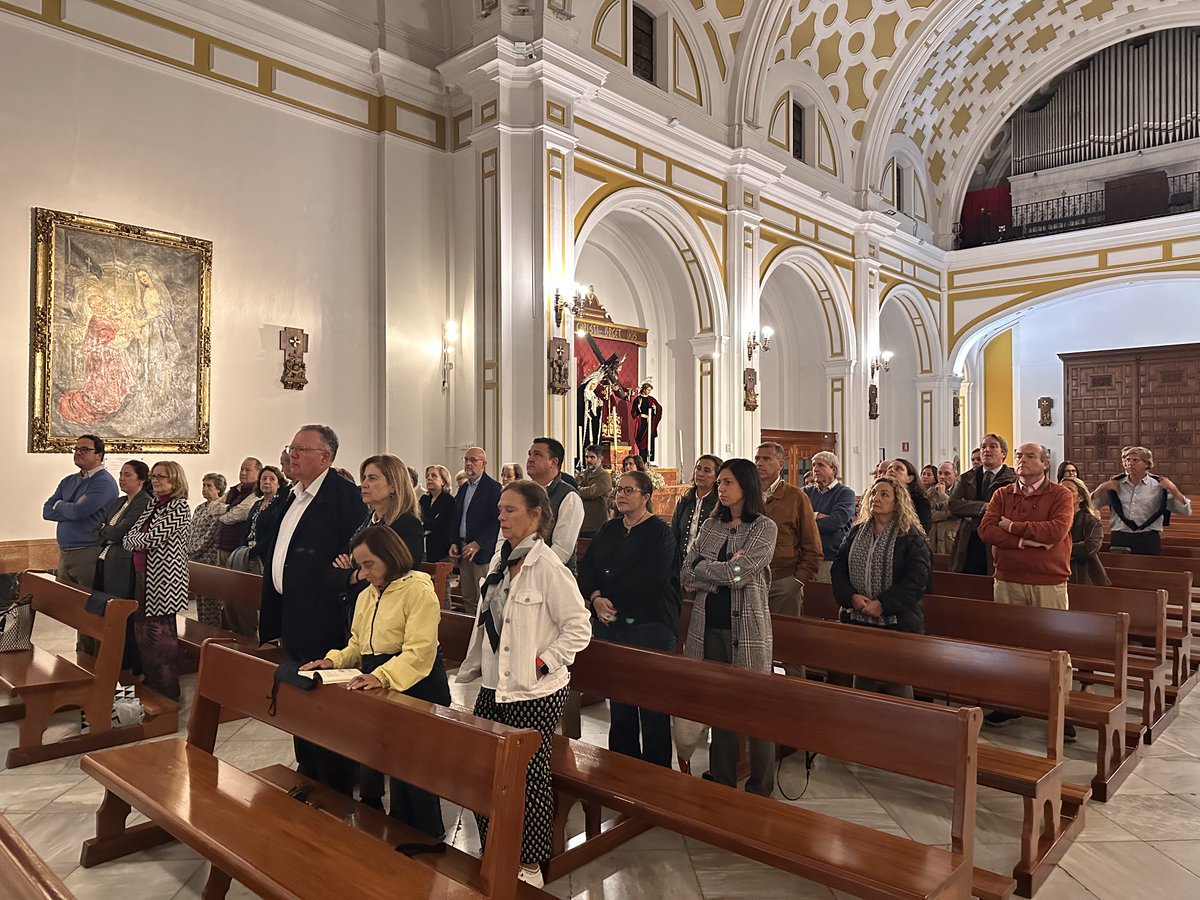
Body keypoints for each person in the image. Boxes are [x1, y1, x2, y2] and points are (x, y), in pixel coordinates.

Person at [456, 480, 591, 888]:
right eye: (500, 509)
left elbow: (579, 628)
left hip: (534, 691)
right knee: (485, 771)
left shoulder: (548, 568)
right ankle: (496, 849)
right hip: (494, 684)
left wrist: (543, 662)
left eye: (510, 510)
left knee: (528, 778)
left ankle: (529, 864)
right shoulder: (502, 560)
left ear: (535, 515)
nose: (501, 516)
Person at [301, 526, 450, 837]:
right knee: (395, 766)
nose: (363, 573)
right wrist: (334, 661)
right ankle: (401, 832)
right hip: (382, 683)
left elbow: (419, 652)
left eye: (369, 564)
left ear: (390, 556)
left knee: (415, 773)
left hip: (417, 685)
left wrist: (380, 675)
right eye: (360, 565)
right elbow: (358, 644)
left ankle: (428, 838)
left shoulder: (418, 590)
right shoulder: (369, 593)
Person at [261, 425, 368, 794]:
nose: (292, 454)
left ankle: (335, 783)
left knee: (327, 703)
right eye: (291, 447)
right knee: (298, 694)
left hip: (325, 618)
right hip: (293, 613)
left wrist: (343, 570)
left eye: (301, 449)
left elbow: (357, 555)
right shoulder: (293, 494)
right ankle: (308, 770)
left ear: (325, 457)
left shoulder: (344, 497)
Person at [682, 458, 778, 797]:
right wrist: (721, 569)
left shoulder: (764, 527)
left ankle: (760, 787)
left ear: (745, 486)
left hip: (748, 629)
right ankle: (722, 780)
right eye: (719, 482)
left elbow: (740, 575)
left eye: (727, 483)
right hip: (708, 626)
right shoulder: (711, 525)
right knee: (718, 704)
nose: (720, 488)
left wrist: (707, 568)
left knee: (756, 709)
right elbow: (686, 572)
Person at [579, 470, 679, 768]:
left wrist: (612, 605)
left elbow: (651, 580)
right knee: (620, 702)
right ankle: (623, 768)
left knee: (651, 704)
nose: (620, 495)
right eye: (618, 490)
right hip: (611, 625)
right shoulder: (609, 529)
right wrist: (596, 597)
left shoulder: (660, 532)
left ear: (646, 497)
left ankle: (656, 771)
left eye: (628, 490)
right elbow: (588, 567)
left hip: (649, 625)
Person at [832, 476, 931, 697]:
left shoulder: (910, 535)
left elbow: (917, 580)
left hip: (897, 622)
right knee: (862, 676)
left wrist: (883, 604)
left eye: (884, 494)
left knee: (897, 681)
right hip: (858, 617)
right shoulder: (857, 532)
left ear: (898, 502)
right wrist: (851, 597)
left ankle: (902, 718)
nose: (876, 498)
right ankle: (862, 717)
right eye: (873, 493)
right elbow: (838, 567)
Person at [43, 433, 118, 655]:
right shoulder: (69, 481)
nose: (78, 453)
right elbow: (47, 511)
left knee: (91, 609)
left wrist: (61, 505)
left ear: (99, 455)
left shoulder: (104, 483)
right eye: (76, 449)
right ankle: (83, 656)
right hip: (66, 552)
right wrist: (68, 506)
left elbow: (78, 512)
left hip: (88, 552)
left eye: (84, 449)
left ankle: (95, 659)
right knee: (75, 609)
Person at [121, 461, 191, 700]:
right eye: (154, 476)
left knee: (160, 638)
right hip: (143, 576)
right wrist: (136, 540)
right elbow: (129, 537)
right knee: (143, 634)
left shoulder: (179, 507)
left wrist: (136, 540)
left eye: (162, 476)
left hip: (164, 580)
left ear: (175, 480)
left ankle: (168, 693)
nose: (156, 480)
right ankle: (152, 687)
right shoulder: (153, 504)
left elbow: (152, 538)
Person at [978, 443, 1075, 610]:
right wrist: (1022, 542)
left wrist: (1011, 526)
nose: (1022, 460)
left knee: (1049, 627)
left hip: (1048, 580)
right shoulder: (1002, 494)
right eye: (1019, 456)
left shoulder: (1061, 494)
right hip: (1007, 578)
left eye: (1030, 456)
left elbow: (1056, 531)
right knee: (1007, 626)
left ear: (1045, 464)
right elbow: (986, 530)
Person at [756, 443, 821, 634]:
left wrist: (797, 581)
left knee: (787, 639)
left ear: (780, 464)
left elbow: (812, 544)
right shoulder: (748, 495)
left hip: (783, 580)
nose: (759, 463)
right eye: (757, 459)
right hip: (751, 580)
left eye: (766, 459)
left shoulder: (795, 496)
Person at [1091, 446, 1192, 555]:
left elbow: (1186, 511)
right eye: (1127, 460)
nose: (1130, 463)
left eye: (1135, 460)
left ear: (1147, 464)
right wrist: (1101, 488)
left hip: (1148, 539)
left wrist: (1173, 489)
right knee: (1120, 566)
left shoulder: (1159, 486)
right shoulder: (1114, 485)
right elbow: (1089, 505)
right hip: (1120, 537)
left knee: (1148, 566)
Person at [948, 434, 1015, 574]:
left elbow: (1011, 508)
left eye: (993, 446)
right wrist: (983, 506)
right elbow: (953, 505)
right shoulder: (967, 477)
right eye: (983, 447)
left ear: (1003, 453)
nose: (986, 450)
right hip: (969, 538)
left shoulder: (1012, 479)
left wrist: (969, 508)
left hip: (998, 537)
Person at [450, 447, 503, 617]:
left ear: (483, 464)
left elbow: (496, 521)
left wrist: (479, 543)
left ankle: (482, 630)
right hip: (464, 547)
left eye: (473, 460)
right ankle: (469, 629)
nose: (468, 463)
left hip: (481, 550)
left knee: (483, 596)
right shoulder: (463, 488)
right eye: (466, 459)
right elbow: (457, 518)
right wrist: (454, 542)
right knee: (468, 596)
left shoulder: (493, 488)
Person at [94, 460, 153, 602]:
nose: (121, 479)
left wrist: (106, 530)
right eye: (121, 474)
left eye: (127, 475)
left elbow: (119, 533)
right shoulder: (118, 502)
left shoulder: (144, 502)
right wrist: (107, 533)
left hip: (123, 563)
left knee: (118, 604)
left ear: (141, 480)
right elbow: (96, 527)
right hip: (104, 558)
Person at [526, 437, 583, 572]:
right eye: (530, 454)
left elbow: (561, 550)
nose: (530, 459)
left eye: (537, 455)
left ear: (553, 462)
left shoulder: (569, 496)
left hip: (552, 574)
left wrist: (531, 570)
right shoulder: (522, 493)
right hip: (520, 570)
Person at [803, 451, 857, 583]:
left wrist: (810, 517)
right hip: (805, 557)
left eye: (821, 465)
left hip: (830, 557)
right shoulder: (805, 492)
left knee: (825, 594)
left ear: (833, 470)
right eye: (813, 465)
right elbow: (795, 520)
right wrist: (820, 517)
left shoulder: (845, 494)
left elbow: (836, 522)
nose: (815, 469)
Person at [187, 472, 227, 628]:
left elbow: (211, 534)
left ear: (219, 489)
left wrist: (193, 550)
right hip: (195, 559)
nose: (204, 488)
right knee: (199, 598)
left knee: (211, 601)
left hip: (209, 559)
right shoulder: (200, 508)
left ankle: (212, 632)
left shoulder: (219, 509)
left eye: (209, 486)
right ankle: (201, 629)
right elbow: (191, 530)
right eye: (203, 485)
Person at [670, 455, 722, 566]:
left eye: (706, 471)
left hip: (708, 566)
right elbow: (674, 534)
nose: (700, 474)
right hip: (681, 563)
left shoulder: (719, 503)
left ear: (716, 477)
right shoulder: (685, 501)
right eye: (698, 469)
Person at [1063, 476, 1110, 586]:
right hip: (1055, 573)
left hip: (1084, 575)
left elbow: (1090, 547)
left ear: (1080, 498)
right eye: (1060, 490)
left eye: (1069, 490)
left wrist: (1058, 549)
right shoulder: (1050, 518)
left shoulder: (1092, 521)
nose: (1063, 493)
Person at [242, 465, 288, 577]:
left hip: (265, 557)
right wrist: (242, 548)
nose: (267, 482)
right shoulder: (256, 504)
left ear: (279, 484)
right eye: (264, 478)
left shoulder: (280, 506)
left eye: (272, 479)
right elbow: (247, 527)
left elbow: (274, 533)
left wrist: (255, 551)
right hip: (247, 554)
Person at [216, 457, 263, 564]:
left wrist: (222, 515)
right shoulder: (235, 490)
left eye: (248, 470)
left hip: (239, 547)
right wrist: (229, 508)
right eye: (241, 469)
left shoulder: (258, 493)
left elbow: (238, 514)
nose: (243, 473)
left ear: (259, 473)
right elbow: (212, 507)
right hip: (222, 544)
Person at [885, 458, 933, 534]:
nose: (891, 470)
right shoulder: (878, 496)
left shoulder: (920, 501)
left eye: (898, 469)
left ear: (909, 478)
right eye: (889, 468)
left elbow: (923, 529)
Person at [420, 464, 456, 562]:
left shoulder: (448, 500)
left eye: (434, 476)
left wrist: (424, 524)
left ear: (443, 481)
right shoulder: (424, 499)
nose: (429, 478)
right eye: (427, 476)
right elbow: (417, 519)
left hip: (441, 549)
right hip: (423, 548)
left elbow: (439, 524)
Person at [576, 445, 613, 537]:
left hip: (596, 523)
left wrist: (577, 489)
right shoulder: (583, 474)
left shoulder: (604, 476)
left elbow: (591, 493)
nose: (588, 460)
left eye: (592, 457)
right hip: (581, 522)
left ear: (600, 459)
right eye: (587, 457)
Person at [927, 461, 961, 556]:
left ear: (955, 476)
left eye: (947, 474)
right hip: (934, 539)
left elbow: (957, 510)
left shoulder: (961, 490)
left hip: (951, 538)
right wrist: (947, 514)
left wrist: (942, 495)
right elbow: (928, 514)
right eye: (939, 473)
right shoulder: (931, 491)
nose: (942, 477)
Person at [630, 381, 662, 462]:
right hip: (642, 422)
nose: (649, 392)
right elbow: (634, 412)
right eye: (648, 390)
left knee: (650, 439)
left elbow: (659, 408)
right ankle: (642, 459)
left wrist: (655, 408)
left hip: (650, 422)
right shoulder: (637, 399)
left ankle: (649, 460)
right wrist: (638, 406)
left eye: (650, 390)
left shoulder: (651, 399)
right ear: (644, 389)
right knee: (642, 439)